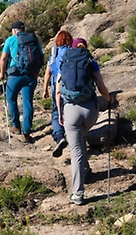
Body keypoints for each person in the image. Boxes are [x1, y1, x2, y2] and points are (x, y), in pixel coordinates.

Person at [55, 37, 115, 205]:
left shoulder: (65, 61)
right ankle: (85, 169)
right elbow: (101, 86)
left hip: (71, 111)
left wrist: (60, 113)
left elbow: (58, 92)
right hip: (90, 111)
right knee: (80, 140)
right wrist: (109, 99)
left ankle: (78, 193)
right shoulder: (91, 61)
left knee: (76, 152)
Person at [0, 20, 44, 143]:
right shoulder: (33, 39)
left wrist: (1, 73)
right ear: (23, 29)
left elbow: (3, 58)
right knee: (28, 103)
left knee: (11, 98)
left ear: (14, 30)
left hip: (15, 75)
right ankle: (26, 132)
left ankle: (16, 125)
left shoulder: (10, 40)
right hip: (31, 75)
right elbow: (40, 55)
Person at [42, 30, 74, 157]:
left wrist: (45, 89)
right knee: (69, 110)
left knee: (56, 113)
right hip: (70, 86)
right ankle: (72, 136)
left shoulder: (54, 54)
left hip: (56, 86)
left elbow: (48, 73)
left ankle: (59, 136)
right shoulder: (72, 52)